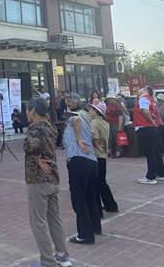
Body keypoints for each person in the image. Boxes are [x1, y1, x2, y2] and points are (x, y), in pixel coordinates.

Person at [24, 97, 71, 267]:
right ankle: (62, 255)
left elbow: (34, 145)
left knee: (38, 222)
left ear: (33, 110)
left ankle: (47, 261)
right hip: (53, 178)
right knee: (54, 218)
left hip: (38, 179)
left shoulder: (34, 128)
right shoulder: (50, 127)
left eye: (27, 110)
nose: (26, 114)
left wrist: (37, 159)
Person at [63, 92, 101, 244]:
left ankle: (85, 234)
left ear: (75, 102)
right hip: (92, 162)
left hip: (79, 161)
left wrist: (77, 139)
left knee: (79, 199)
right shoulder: (86, 116)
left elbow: (76, 120)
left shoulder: (75, 116)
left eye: (69, 101)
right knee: (90, 196)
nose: (67, 103)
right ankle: (95, 226)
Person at [88, 102, 118, 216]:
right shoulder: (105, 122)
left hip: (96, 154)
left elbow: (94, 138)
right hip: (102, 155)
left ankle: (98, 212)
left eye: (91, 110)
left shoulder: (94, 123)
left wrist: (96, 145)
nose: (89, 112)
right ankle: (111, 205)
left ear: (96, 111)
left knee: (95, 183)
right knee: (101, 182)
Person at [134, 87, 164, 185]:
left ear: (145, 90)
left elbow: (145, 112)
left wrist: (151, 121)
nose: (138, 90)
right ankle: (161, 174)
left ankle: (150, 177)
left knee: (150, 153)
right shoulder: (150, 99)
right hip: (150, 128)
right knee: (155, 152)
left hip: (145, 128)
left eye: (141, 88)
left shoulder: (143, 98)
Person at [104, 92, 125, 158]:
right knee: (109, 138)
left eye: (111, 99)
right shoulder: (108, 105)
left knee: (117, 138)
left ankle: (118, 152)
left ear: (114, 99)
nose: (110, 100)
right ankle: (108, 151)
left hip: (116, 124)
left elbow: (120, 116)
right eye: (109, 99)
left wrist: (119, 126)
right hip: (109, 123)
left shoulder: (118, 107)